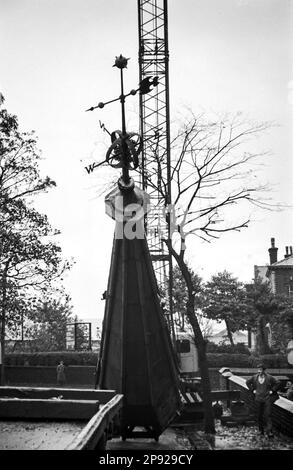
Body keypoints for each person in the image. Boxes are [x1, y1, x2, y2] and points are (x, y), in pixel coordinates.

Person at [246, 363, 280, 437]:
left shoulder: (269, 377)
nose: (259, 371)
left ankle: (269, 431)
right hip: (258, 399)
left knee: (268, 415)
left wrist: (272, 390)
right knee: (259, 415)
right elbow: (247, 382)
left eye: (260, 370)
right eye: (258, 370)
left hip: (267, 399)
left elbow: (278, 383)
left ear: (264, 370)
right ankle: (260, 430)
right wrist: (252, 390)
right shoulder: (254, 377)